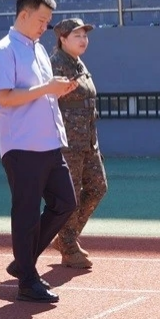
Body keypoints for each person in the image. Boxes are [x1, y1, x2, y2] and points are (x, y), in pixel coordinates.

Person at [0, 0, 78, 304]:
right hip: (22, 145)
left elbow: (40, 93)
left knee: (65, 203)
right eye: (41, 20)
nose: (45, 27)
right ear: (24, 15)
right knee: (26, 213)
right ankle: (27, 280)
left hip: (49, 142)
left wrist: (56, 90)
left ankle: (22, 261)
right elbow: (4, 97)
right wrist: (47, 88)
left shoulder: (38, 50)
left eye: (48, 21)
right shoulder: (4, 50)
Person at [50, 18, 107, 269]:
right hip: (67, 144)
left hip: (88, 142)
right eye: (77, 36)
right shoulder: (55, 65)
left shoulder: (78, 63)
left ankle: (66, 238)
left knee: (98, 187)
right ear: (63, 39)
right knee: (69, 196)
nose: (84, 40)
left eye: (85, 36)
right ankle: (68, 245)